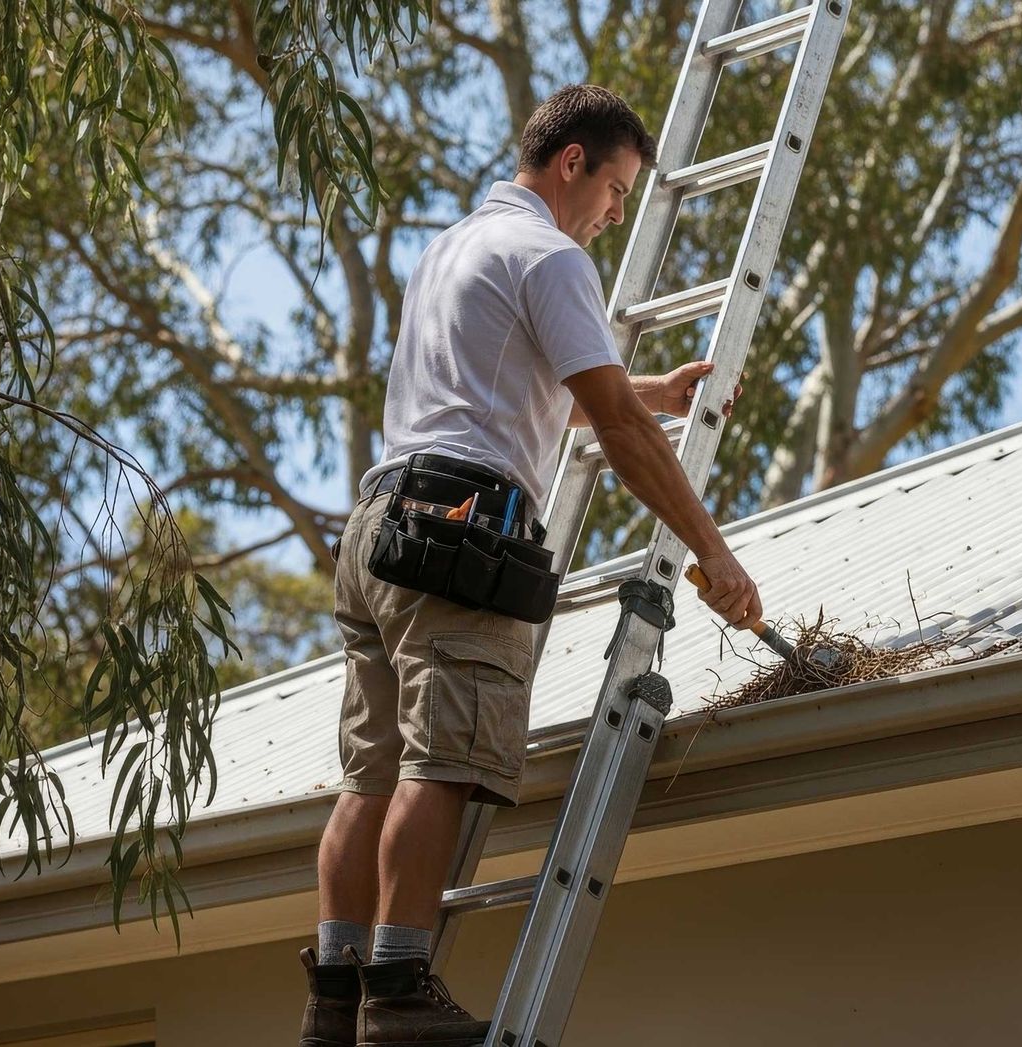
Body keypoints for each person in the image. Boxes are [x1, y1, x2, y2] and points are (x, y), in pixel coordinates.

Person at [297, 83, 764, 1047]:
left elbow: (519, 378)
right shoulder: (552, 255)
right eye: (619, 188)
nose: (618, 211)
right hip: (461, 530)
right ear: (572, 164)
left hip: (379, 527)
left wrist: (651, 391)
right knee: (441, 763)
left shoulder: (456, 245)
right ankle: (395, 989)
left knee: (370, 775)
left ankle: (333, 1004)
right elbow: (619, 432)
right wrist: (713, 553)